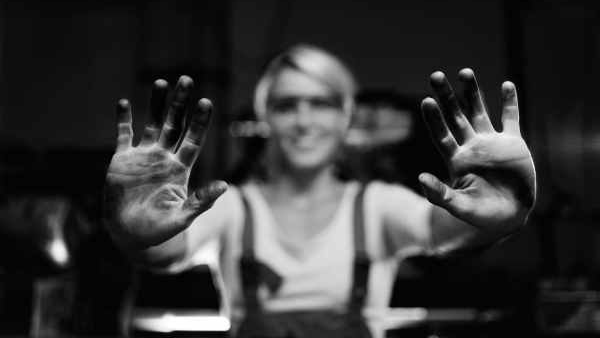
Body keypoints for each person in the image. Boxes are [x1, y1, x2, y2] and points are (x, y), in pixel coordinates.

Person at [103, 44, 536, 338]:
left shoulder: (377, 206)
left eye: (322, 103)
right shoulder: (231, 207)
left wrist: (502, 217)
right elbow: (164, 251)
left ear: (346, 114)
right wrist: (135, 236)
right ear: (265, 114)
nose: (304, 121)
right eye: (287, 105)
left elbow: (446, 231)